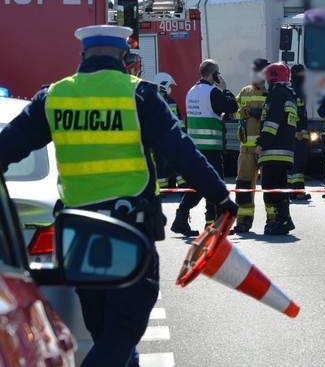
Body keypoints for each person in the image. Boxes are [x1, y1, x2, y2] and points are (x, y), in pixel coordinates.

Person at [0, 25, 237, 367]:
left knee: (106, 334)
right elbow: (182, 152)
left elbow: (8, 147)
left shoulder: (53, 96)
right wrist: (219, 196)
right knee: (123, 330)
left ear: (83, 55)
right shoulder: (139, 94)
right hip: (128, 234)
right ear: (125, 57)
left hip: (77, 236)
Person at [171, 59, 239, 236]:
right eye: (218, 73)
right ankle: (215, 225)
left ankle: (182, 218)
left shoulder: (192, 91)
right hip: (211, 147)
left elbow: (205, 113)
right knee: (214, 184)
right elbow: (232, 106)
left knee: (197, 184)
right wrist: (225, 88)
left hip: (194, 147)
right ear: (214, 74)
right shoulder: (213, 91)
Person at [257, 62, 298, 235]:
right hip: (286, 150)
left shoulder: (276, 95)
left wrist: (261, 143)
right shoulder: (289, 95)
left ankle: (279, 221)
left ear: (272, 78)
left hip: (273, 150)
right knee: (280, 187)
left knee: (269, 187)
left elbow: (271, 124)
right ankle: (284, 220)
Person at [233, 58, 268, 233]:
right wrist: (243, 113)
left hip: (266, 148)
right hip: (246, 148)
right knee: (244, 187)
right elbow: (233, 112)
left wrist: (259, 113)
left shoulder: (271, 92)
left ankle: (275, 220)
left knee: (271, 186)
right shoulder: (245, 91)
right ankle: (243, 222)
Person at [289, 64, 311, 201]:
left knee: (297, 164)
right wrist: (296, 131)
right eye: (303, 73)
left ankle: (292, 191)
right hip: (294, 134)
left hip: (299, 133)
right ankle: (297, 192)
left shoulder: (299, 90)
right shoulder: (293, 90)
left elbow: (302, 114)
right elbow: (293, 113)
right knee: (297, 164)